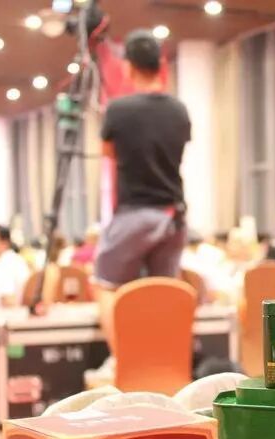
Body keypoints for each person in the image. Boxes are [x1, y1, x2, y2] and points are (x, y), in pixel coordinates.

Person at [97, 28, 191, 343]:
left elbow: (108, 152)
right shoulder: (179, 110)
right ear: (159, 64)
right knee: (163, 293)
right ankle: (167, 360)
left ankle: (122, 361)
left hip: (135, 213)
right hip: (174, 216)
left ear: (128, 66)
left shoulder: (118, 110)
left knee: (106, 287)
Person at [0, 225, 30, 308]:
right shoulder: (15, 259)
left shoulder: (3, 265)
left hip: (3, 315)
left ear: (5, 243)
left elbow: (9, 300)